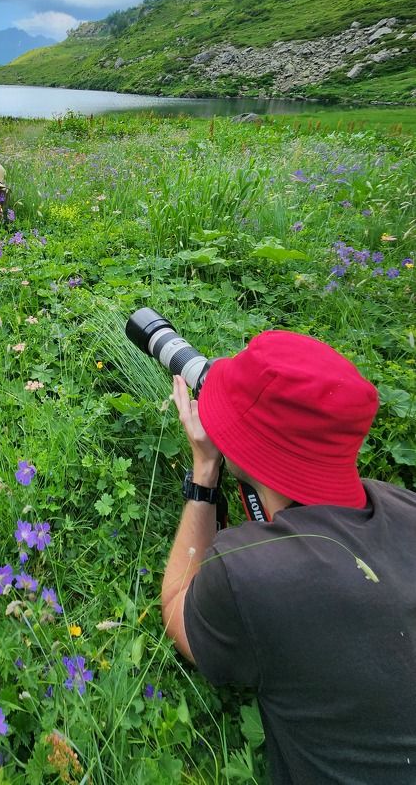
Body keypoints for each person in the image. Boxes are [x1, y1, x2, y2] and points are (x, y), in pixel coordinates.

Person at [162, 330, 416, 784]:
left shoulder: (252, 570)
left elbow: (177, 605)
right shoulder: (404, 506)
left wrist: (205, 472)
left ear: (247, 449)